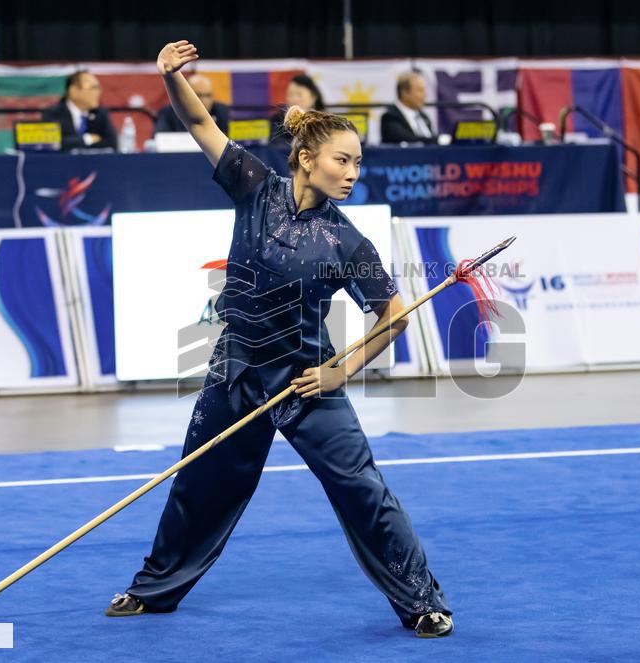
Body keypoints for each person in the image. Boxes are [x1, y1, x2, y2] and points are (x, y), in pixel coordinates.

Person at [104, 39, 454, 639]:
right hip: (235, 368)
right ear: (306, 157)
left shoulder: (349, 242)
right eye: (343, 160)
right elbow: (197, 121)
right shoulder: (254, 187)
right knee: (201, 483)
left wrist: (339, 373)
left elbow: (394, 317)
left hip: (304, 376)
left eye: (358, 163)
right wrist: (170, 77)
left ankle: (421, 600)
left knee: (362, 488)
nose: (353, 173)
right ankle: (153, 588)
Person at [40, 70, 117, 151]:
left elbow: (111, 143)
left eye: (98, 88)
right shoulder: (53, 114)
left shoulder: (100, 114)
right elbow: (53, 144)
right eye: (93, 88)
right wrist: (87, 139)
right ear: (73, 91)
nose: (98, 93)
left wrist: (72, 144)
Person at [154, 74, 229, 134]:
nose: (204, 100)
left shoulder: (223, 111)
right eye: (198, 95)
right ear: (185, 95)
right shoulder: (168, 113)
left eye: (208, 95)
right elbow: (161, 140)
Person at [380, 72, 437, 145]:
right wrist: (438, 140)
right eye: (420, 90)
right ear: (405, 93)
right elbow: (406, 139)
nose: (425, 95)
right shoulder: (390, 117)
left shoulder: (424, 117)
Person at [269, 74, 326, 145]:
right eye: (290, 94)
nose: (294, 99)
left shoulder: (323, 120)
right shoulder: (277, 119)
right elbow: (275, 145)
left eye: (299, 94)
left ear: (313, 98)